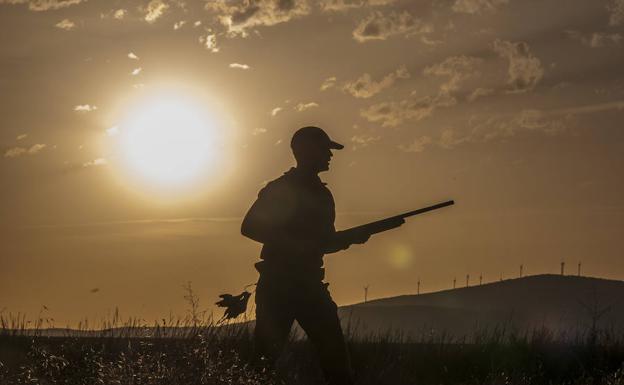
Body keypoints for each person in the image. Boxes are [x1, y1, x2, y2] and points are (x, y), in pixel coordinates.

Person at [241, 126, 387, 385]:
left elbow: (323, 243)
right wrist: (296, 245)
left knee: (337, 364)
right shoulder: (281, 189)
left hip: (309, 284)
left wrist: (350, 239)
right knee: (262, 364)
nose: (330, 156)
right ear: (307, 152)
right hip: (279, 285)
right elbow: (250, 227)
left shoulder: (323, 194)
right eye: (325, 150)